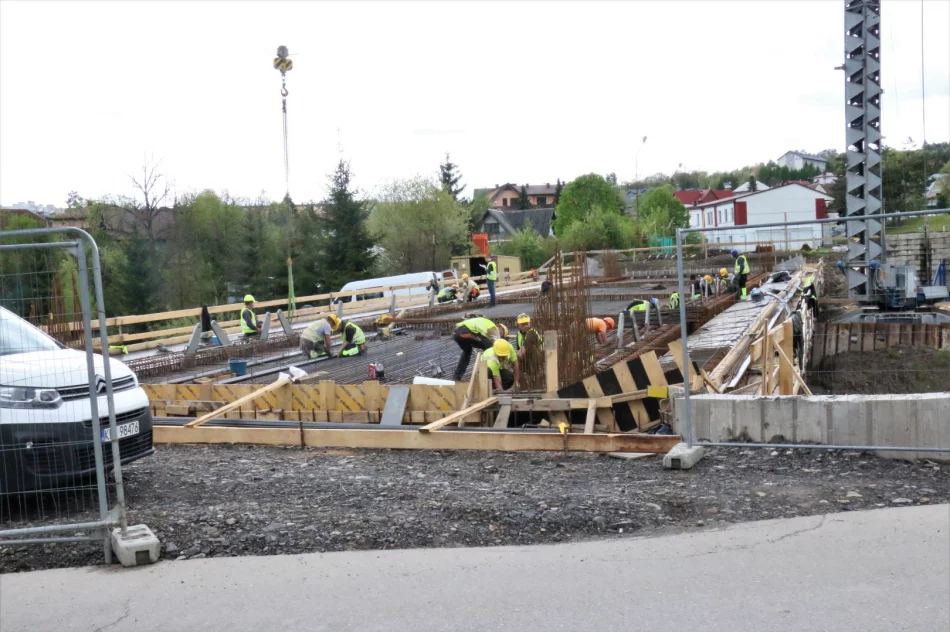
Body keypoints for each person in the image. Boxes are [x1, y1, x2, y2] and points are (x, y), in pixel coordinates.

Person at [452, 316, 503, 381]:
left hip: (456, 334)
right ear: (501, 332)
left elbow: (479, 341)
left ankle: (457, 376)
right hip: (467, 332)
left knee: (467, 352)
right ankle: (487, 372)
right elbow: (497, 343)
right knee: (490, 347)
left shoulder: (484, 323)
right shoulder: (494, 328)